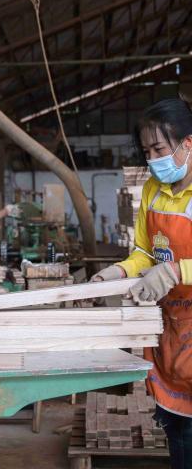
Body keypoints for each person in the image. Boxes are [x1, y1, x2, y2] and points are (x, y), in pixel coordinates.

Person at [91, 98, 192, 469]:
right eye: (147, 150)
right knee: (177, 428)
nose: (152, 159)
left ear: (188, 143)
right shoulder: (152, 189)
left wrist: (177, 272)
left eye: (160, 149)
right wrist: (118, 272)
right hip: (171, 329)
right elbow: (145, 253)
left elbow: (167, 268)